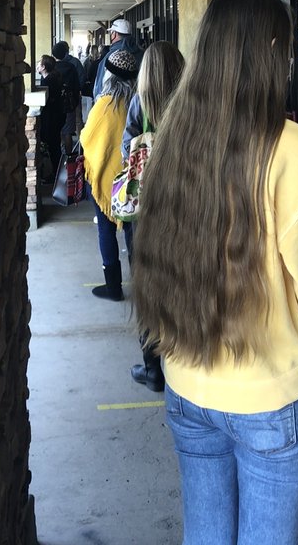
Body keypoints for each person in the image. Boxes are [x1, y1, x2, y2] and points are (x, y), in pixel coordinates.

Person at [132, 0, 298, 545]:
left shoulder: (174, 138)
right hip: (271, 396)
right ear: (270, 51)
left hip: (187, 383)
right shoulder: (294, 150)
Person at [123, 40, 185, 393]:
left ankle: (152, 369)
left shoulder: (140, 104)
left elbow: (126, 153)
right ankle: (184, 360)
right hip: (183, 207)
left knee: (147, 287)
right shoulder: (191, 104)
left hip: (145, 212)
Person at [80, 48, 139, 301]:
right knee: (133, 232)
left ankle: (113, 287)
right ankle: (142, 287)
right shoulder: (139, 102)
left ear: (109, 75)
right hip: (133, 179)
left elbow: (87, 138)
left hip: (106, 179)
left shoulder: (105, 104)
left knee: (106, 230)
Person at [93, 17, 143, 100]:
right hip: (139, 102)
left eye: (111, 33)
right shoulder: (142, 54)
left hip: (114, 103)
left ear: (114, 34)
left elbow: (99, 86)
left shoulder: (110, 56)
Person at [36, 54, 64, 173]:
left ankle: (53, 171)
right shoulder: (53, 78)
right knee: (55, 145)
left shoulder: (48, 81)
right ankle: (56, 170)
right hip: (56, 117)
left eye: (39, 63)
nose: (37, 65)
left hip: (51, 118)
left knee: (52, 145)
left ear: (44, 67)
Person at [52, 41, 81, 155]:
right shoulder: (71, 66)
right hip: (69, 103)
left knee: (57, 130)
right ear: (65, 53)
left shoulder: (52, 67)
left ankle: (59, 154)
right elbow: (76, 85)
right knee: (68, 131)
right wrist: (75, 101)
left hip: (55, 103)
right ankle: (68, 156)